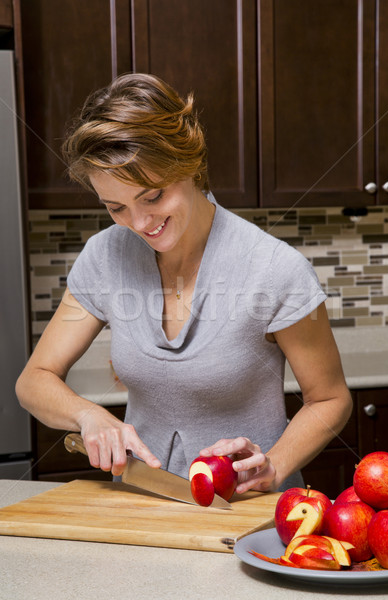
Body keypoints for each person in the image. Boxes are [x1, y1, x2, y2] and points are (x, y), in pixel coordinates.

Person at [16, 73, 352, 494]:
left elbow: (330, 399)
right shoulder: (105, 257)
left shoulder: (275, 269)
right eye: (116, 207)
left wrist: (274, 466)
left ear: (190, 164)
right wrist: (88, 415)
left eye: (153, 196)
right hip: (145, 505)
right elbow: (34, 380)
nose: (139, 224)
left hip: (249, 510)